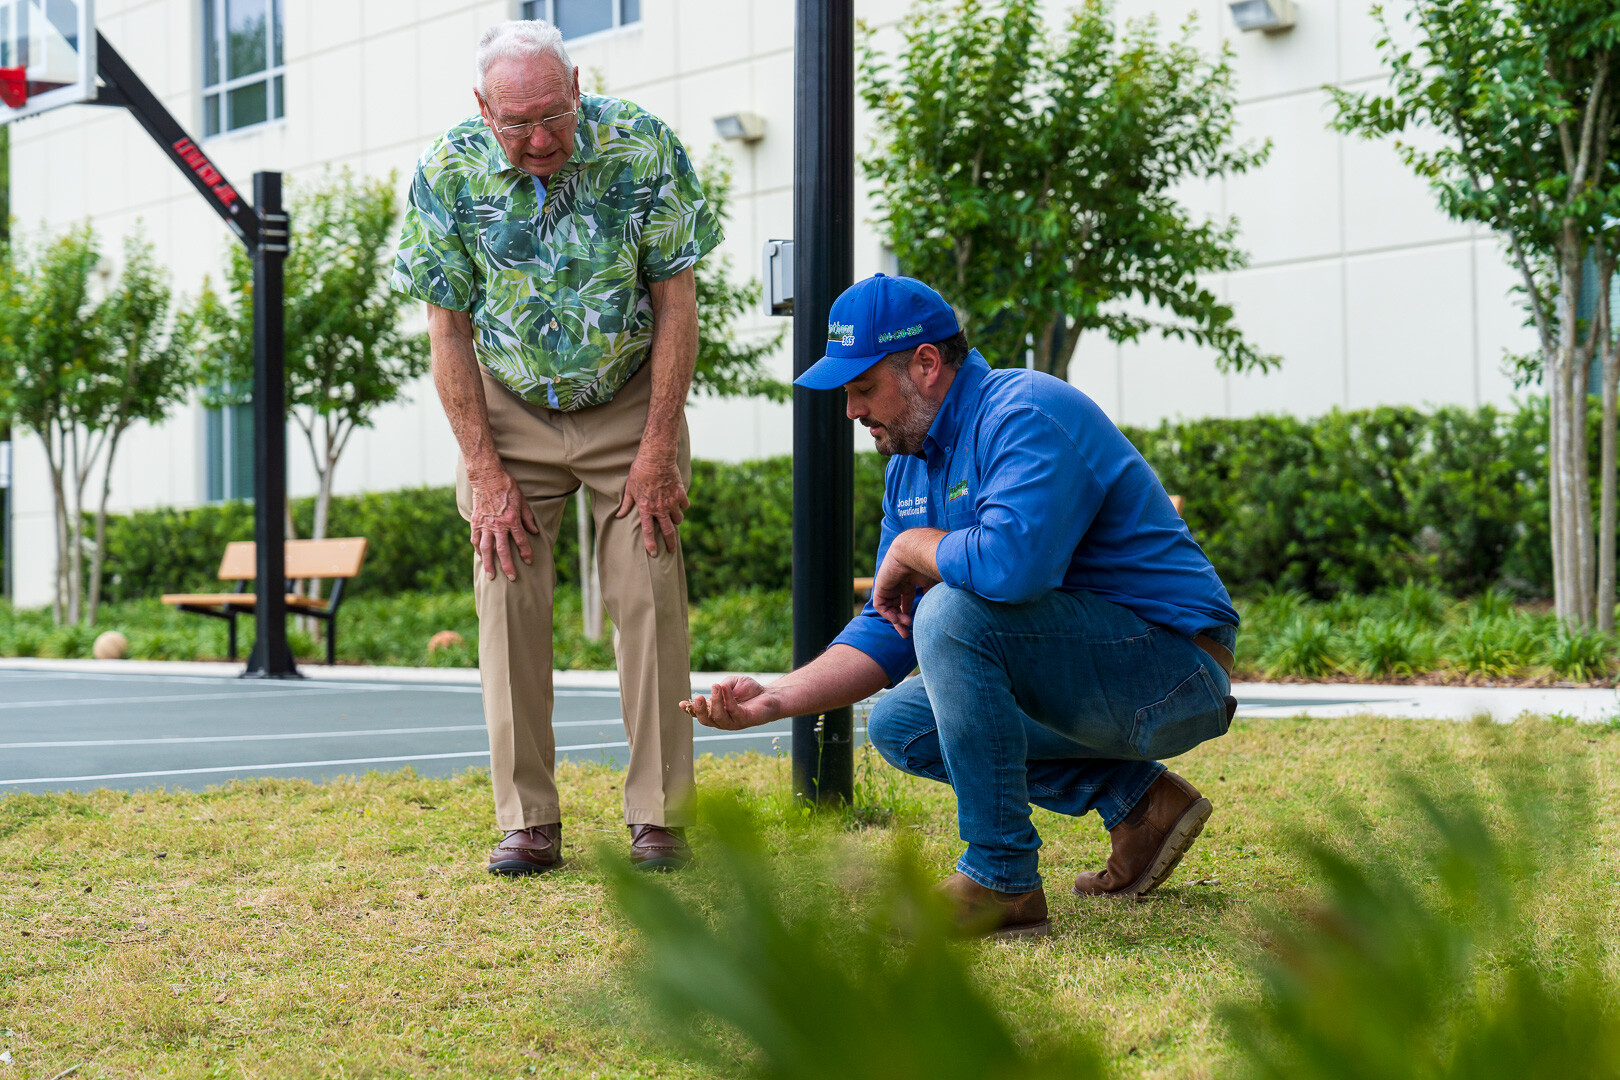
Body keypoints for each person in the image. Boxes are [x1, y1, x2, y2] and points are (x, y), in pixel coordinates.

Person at [681, 274, 1240, 937]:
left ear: (925, 363)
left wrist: (915, 544)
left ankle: (1001, 878)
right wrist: (773, 699)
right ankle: (1140, 804)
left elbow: (1012, 571)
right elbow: (890, 627)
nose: (852, 411)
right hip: (1094, 679)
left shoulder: (1023, 413)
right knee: (900, 724)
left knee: (951, 611)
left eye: (862, 388)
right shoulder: (909, 466)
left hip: (1174, 671)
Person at [392, 20, 721, 875]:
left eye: (554, 115)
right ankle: (528, 820)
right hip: (508, 407)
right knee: (507, 600)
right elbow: (447, 329)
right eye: (517, 122)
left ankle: (658, 814)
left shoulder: (643, 148)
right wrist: (482, 465)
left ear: (577, 85)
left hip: (626, 403)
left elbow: (678, 304)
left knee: (648, 589)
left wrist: (656, 445)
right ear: (482, 107)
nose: (540, 139)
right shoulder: (448, 172)